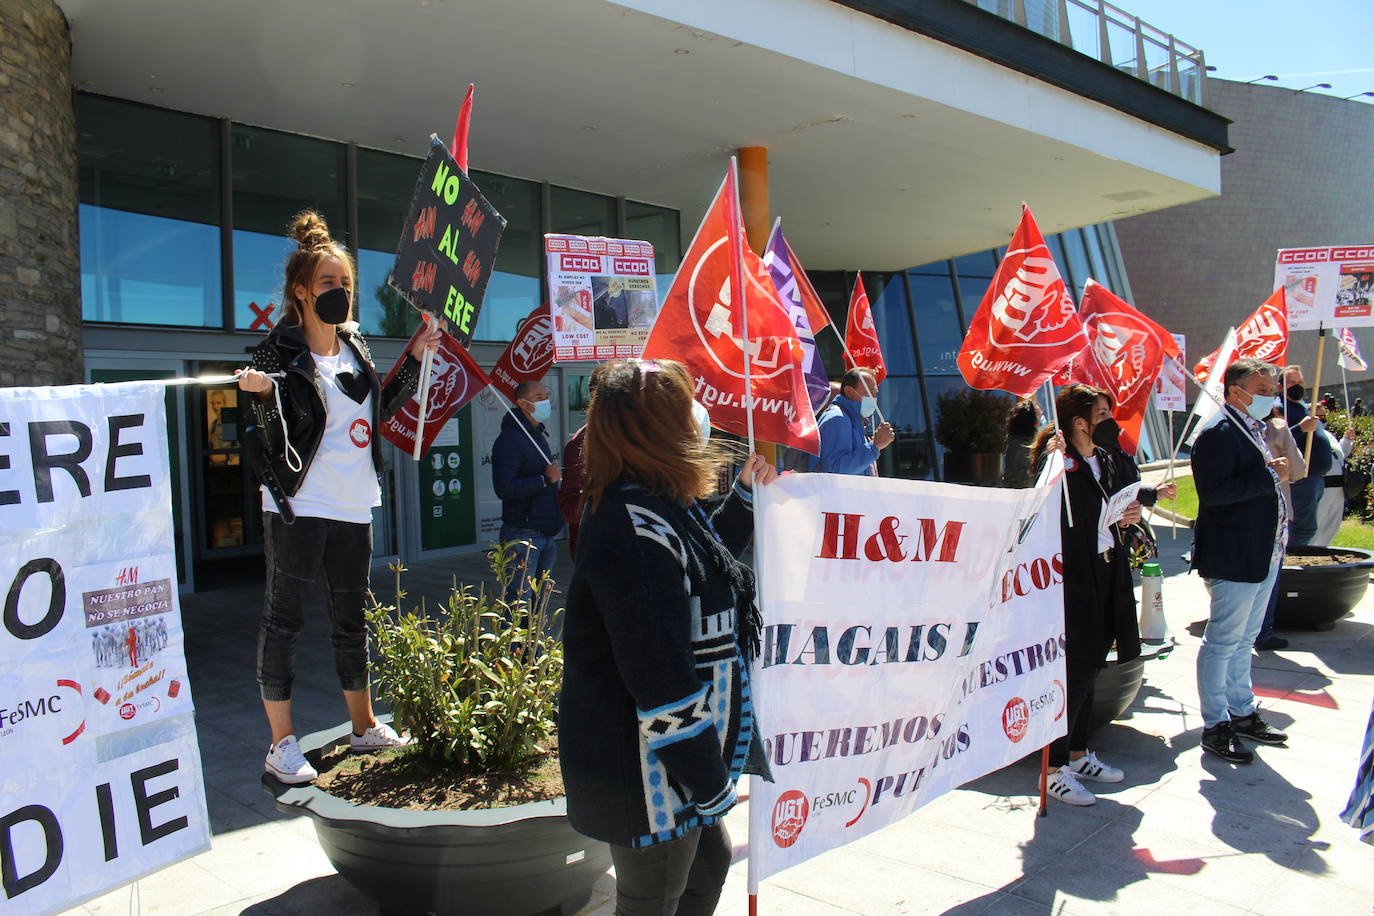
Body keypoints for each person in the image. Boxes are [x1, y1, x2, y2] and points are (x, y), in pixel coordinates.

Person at [560, 358, 776, 915]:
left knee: (705, 874)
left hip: (674, 768)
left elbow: (709, 561)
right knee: (655, 898)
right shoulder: (631, 530)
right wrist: (708, 780)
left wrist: (747, 494)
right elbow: (661, 682)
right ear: (656, 429)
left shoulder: (656, 501)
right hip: (646, 774)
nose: (700, 420)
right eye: (685, 409)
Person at [238, 210, 438, 784]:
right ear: (300, 291)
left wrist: (416, 357)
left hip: (354, 503)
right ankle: (281, 744)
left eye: (346, 284)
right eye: (329, 284)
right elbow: (266, 440)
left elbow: (379, 412)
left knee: (354, 620)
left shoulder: (356, 348)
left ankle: (363, 726)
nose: (342, 293)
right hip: (299, 506)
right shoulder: (276, 353)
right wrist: (256, 397)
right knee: (285, 621)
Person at [1029, 385, 1141, 806]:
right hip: (1072, 575)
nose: (1110, 419)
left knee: (1094, 663)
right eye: (1102, 413)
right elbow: (1040, 506)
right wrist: (1051, 460)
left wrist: (1131, 512)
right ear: (1080, 422)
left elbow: (1123, 499)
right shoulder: (1060, 460)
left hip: (1107, 566)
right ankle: (1053, 767)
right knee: (1076, 666)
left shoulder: (1105, 458)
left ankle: (1077, 753)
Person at [1190, 357, 1290, 764]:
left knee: (1244, 640)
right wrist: (1267, 476)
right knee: (1223, 640)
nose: (1270, 399)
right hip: (1235, 555)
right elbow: (1214, 493)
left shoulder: (1252, 428)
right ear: (1235, 391)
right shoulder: (1218, 432)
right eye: (1263, 391)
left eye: (1272, 391)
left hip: (1262, 552)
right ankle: (1216, 725)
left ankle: (1242, 711)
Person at [491, 380, 563, 602]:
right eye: (539, 398)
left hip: (545, 532)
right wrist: (544, 480)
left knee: (539, 601)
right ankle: (515, 638)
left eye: (546, 396)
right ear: (523, 404)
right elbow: (504, 488)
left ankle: (533, 638)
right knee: (518, 601)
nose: (546, 402)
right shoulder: (510, 439)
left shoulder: (536, 434)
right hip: (524, 534)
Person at [1253, 410, 1307, 652]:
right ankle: (1262, 631)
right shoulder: (1277, 428)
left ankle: (1252, 630)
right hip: (1274, 512)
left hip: (1244, 516)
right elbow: (1297, 471)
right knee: (1270, 576)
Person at [812, 367, 894, 475]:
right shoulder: (837, 418)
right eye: (869, 392)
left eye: (875, 393)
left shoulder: (852, 420)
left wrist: (872, 447)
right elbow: (835, 471)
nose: (873, 398)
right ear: (849, 391)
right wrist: (874, 447)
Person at [1282, 365, 1330, 546]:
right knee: (1303, 528)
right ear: (1280, 386)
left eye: (1300, 382)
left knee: (1308, 527)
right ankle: (1290, 566)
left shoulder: (1302, 406)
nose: (1297, 385)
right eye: (1291, 382)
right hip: (1301, 478)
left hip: (1315, 478)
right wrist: (1300, 428)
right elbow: (1276, 441)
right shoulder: (1281, 409)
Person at [1313, 423, 1357, 547]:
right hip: (1324, 484)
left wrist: (1347, 439)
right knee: (1318, 520)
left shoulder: (1328, 435)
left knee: (1332, 524)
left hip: (1339, 486)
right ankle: (1311, 549)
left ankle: (1322, 548)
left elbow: (1340, 454)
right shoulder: (1308, 434)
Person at [1000, 397, 1042, 488]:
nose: (1042, 423)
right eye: (1039, 417)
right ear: (1031, 421)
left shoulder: (1020, 443)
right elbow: (1027, 481)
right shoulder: (1022, 446)